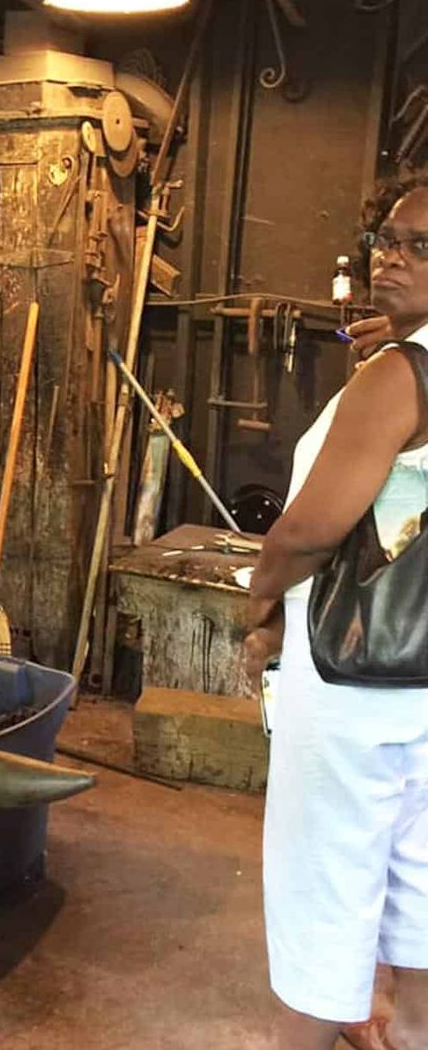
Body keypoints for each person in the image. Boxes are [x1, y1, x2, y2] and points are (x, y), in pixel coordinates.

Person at [245, 173, 428, 1050]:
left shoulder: (400, 378)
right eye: (387, 241)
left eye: (420, 246)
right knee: (422, 885)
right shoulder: (396, 361)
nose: (391, 256)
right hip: (422, 683)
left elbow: (309, 530)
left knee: (327, 887)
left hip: (353, 683)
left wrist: (259, 596)